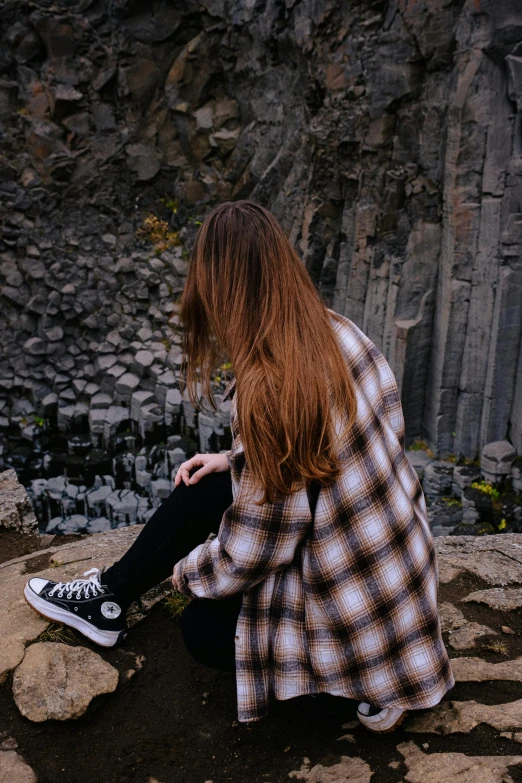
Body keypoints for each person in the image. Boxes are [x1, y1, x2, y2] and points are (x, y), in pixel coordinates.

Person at [24, 200, 455, 733]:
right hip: (398, 572)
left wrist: (182, 576)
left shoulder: (271, 386)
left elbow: (251, 552)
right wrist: (237, 462)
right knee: (209, 484)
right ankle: (109, 599)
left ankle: (352, 692)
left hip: (355, 615)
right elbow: (378, 432)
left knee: (201, 629)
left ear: (223, 287)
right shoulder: (336, 330)